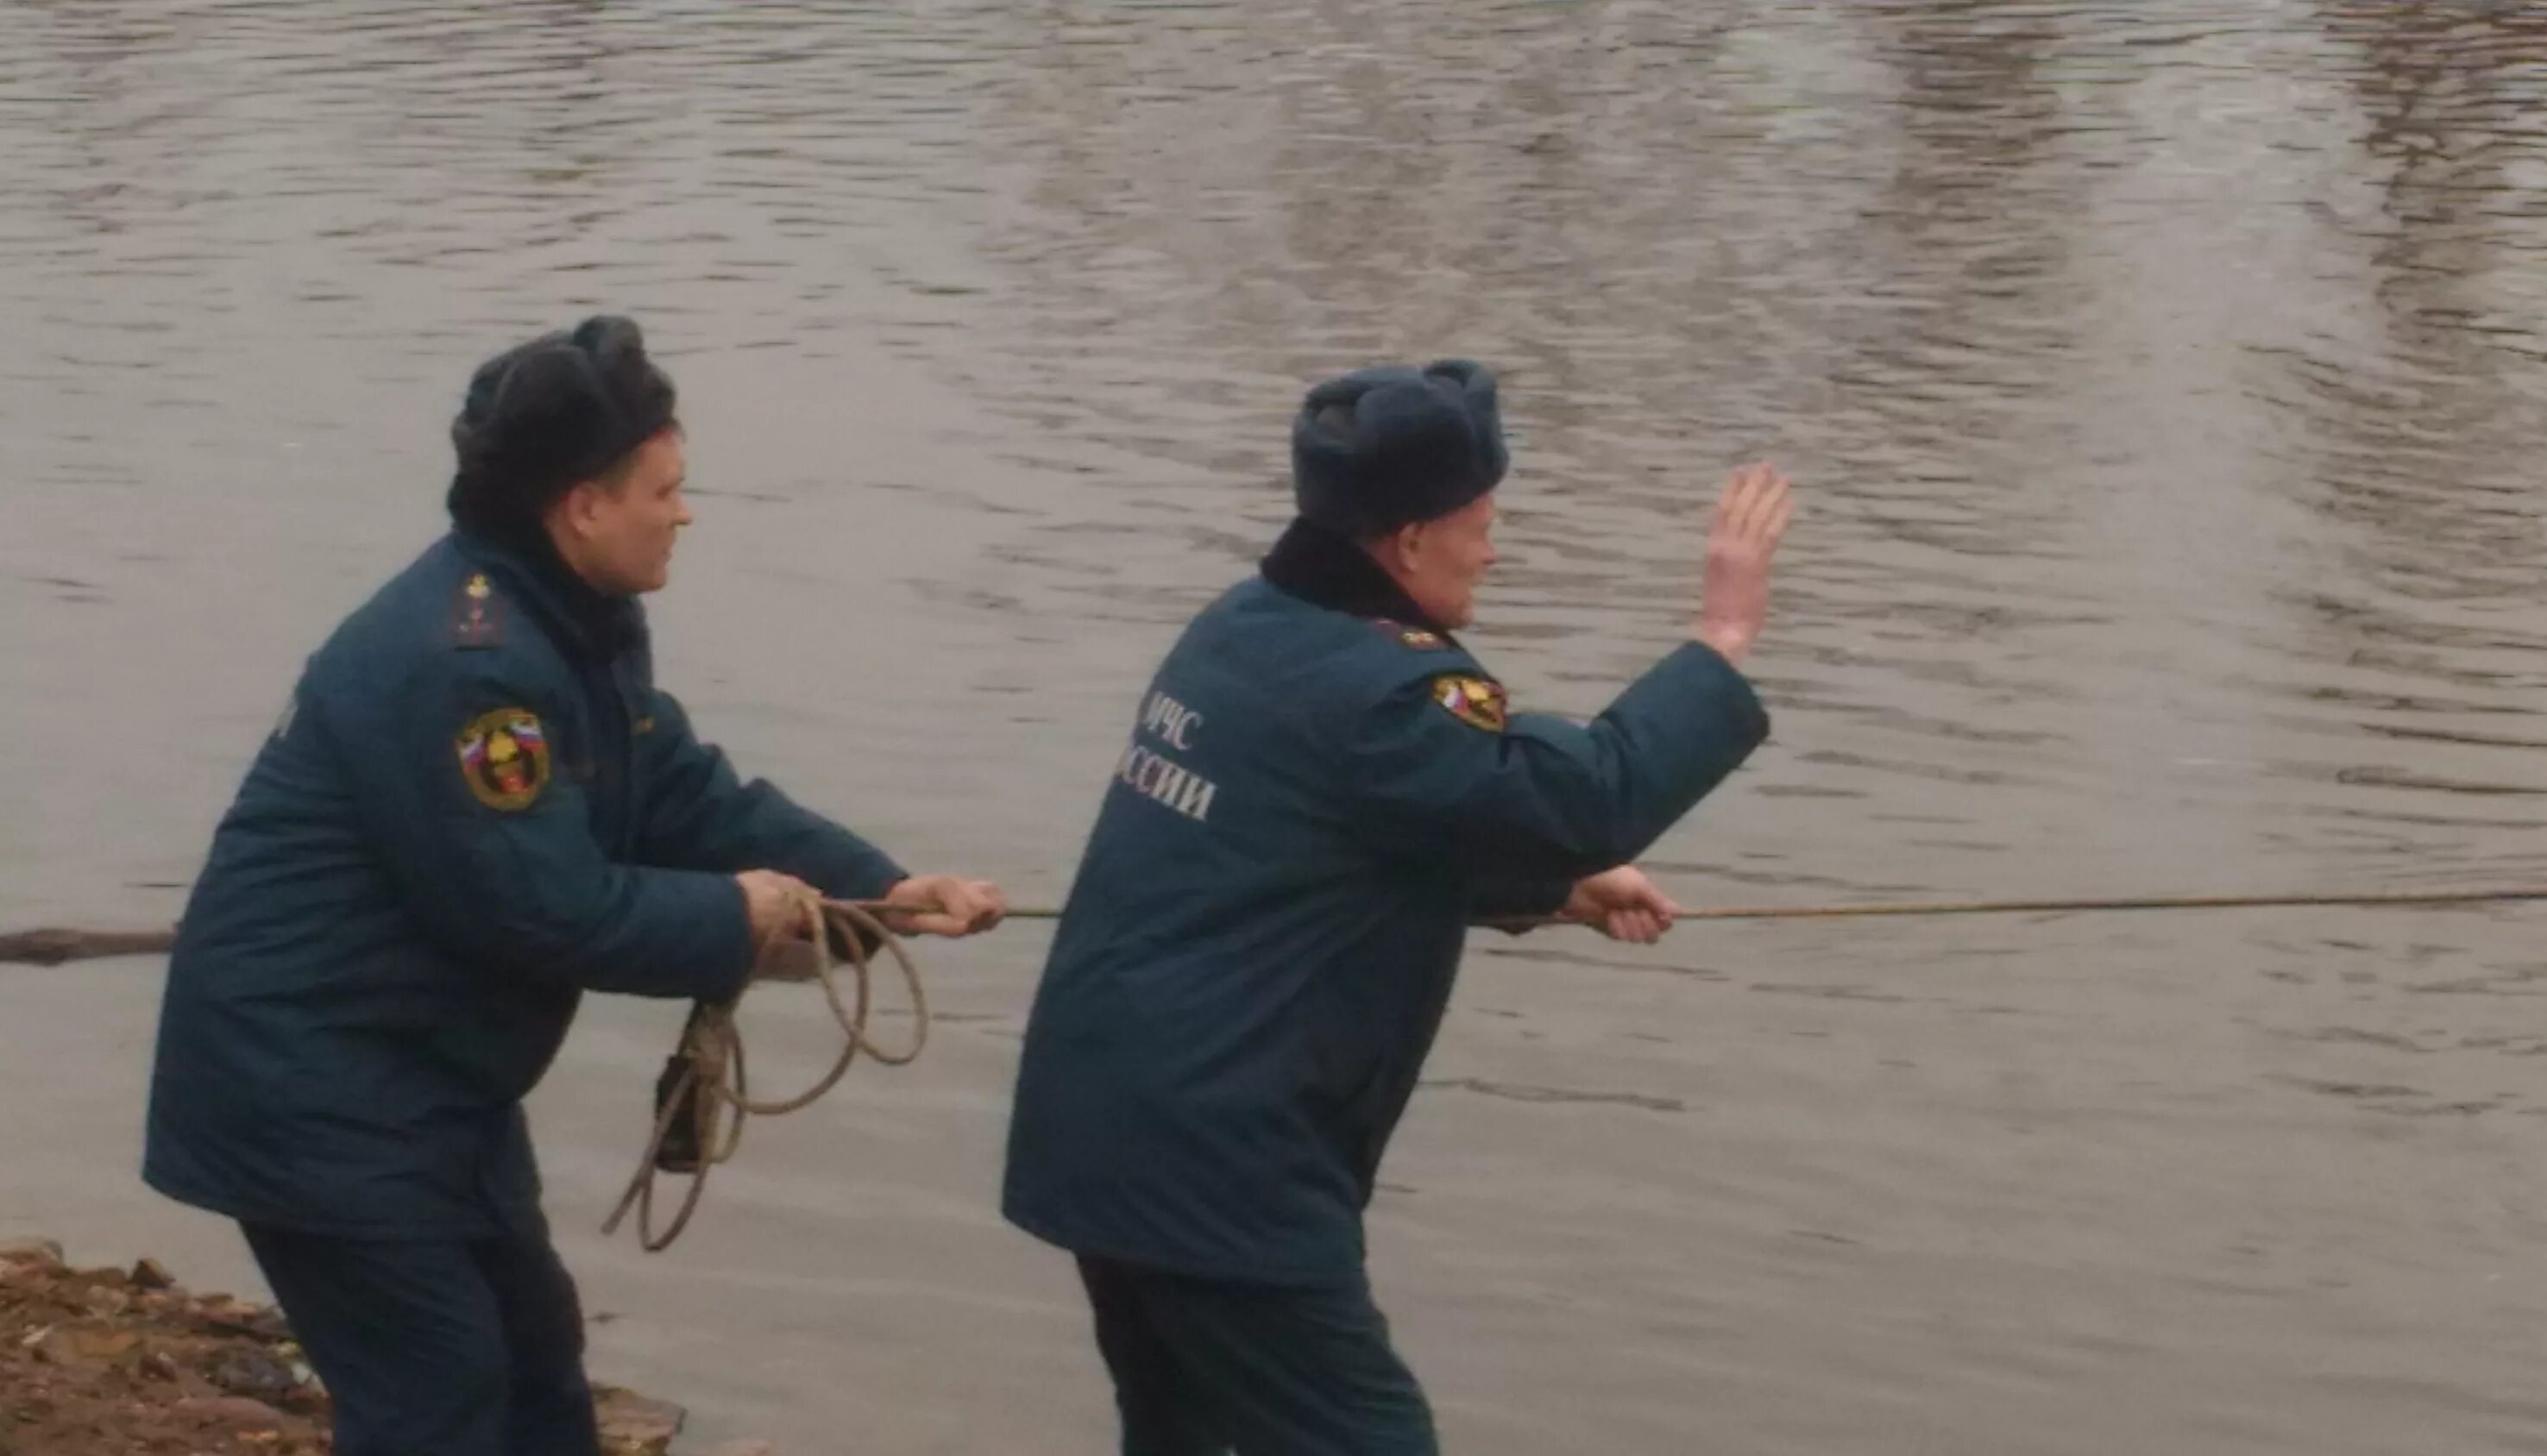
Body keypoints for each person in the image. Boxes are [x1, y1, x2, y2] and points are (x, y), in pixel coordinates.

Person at [142, 314, 1007, 1456]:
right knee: (438, 1396)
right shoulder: (471, 668)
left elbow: (679, 790)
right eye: (667, 490)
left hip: (425, 1079)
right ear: (585, 505)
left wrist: (879, 891)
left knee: (539, 1374)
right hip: (312, 1086)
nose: (686, 514)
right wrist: (736, 918)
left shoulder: (571, 618)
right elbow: (542, 911)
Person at [1001, 358, 1794, 1454]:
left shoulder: (1242, 628)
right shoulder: (1384, 691)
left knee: (1184, 1431)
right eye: (1482, 524)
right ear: (1412, 540)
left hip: (1109, 1126)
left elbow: (1331, 842)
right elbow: (1583, 801)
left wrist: (1550, 885)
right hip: (1221, 1168)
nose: (1494, 550)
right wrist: (1722, 638)